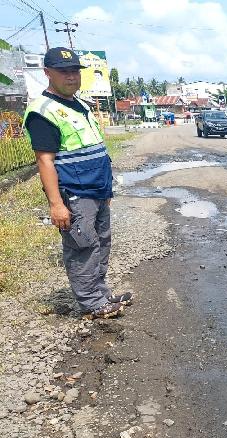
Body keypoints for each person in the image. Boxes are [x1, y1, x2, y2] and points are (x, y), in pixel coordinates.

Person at [23, 47, 132, 319]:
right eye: (64, 71)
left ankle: (100, 294)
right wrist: (56, 205)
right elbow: (45, 161)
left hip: (97, 189)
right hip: (74, 193)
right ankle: (91, 304)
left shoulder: (80, 104)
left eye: (74, 71)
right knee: (82, 247)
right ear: (47, 73)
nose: (71, 77)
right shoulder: (43, 111)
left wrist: (106, 188)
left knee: (101, 244)